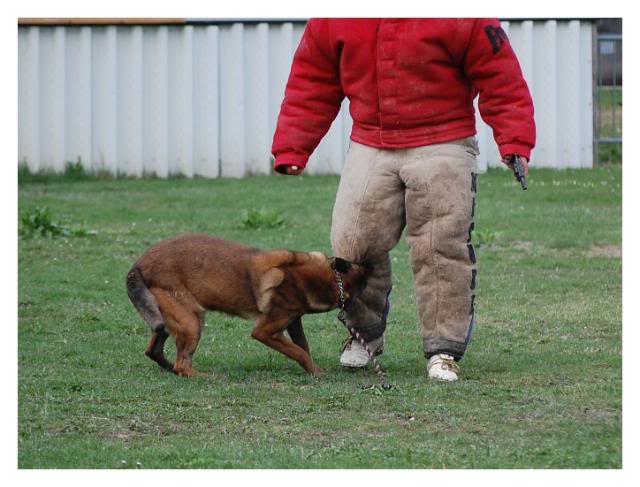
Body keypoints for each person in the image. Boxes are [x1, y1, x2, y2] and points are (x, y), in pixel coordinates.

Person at [271, 18, 535, 381]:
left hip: (445, 139)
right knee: (352, 242)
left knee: (439, 246)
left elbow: (500, 75)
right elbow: (313, 79)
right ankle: (364, 333)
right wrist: (292, 146)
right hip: (371, 141)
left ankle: (443, 349)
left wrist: (515, 141)